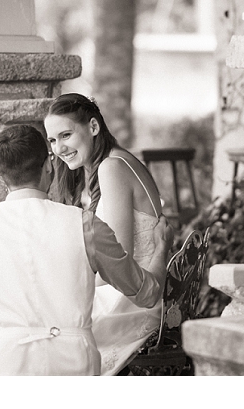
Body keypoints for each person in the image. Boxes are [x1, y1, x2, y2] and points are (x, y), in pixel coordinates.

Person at [0, 124, 173, 376]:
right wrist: (162, 249)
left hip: (7, 367)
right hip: (76, 366)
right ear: (49, 165)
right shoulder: (86, 225)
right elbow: (147, 295)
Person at [44, 93, 166, 375]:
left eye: (66, 135)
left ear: (94, 127)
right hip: (132, 291)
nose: (59, 148)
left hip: (132, 302)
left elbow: (116, 265)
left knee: (49, 331)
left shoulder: (112, 168)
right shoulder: (106, 165)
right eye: (52, 140)